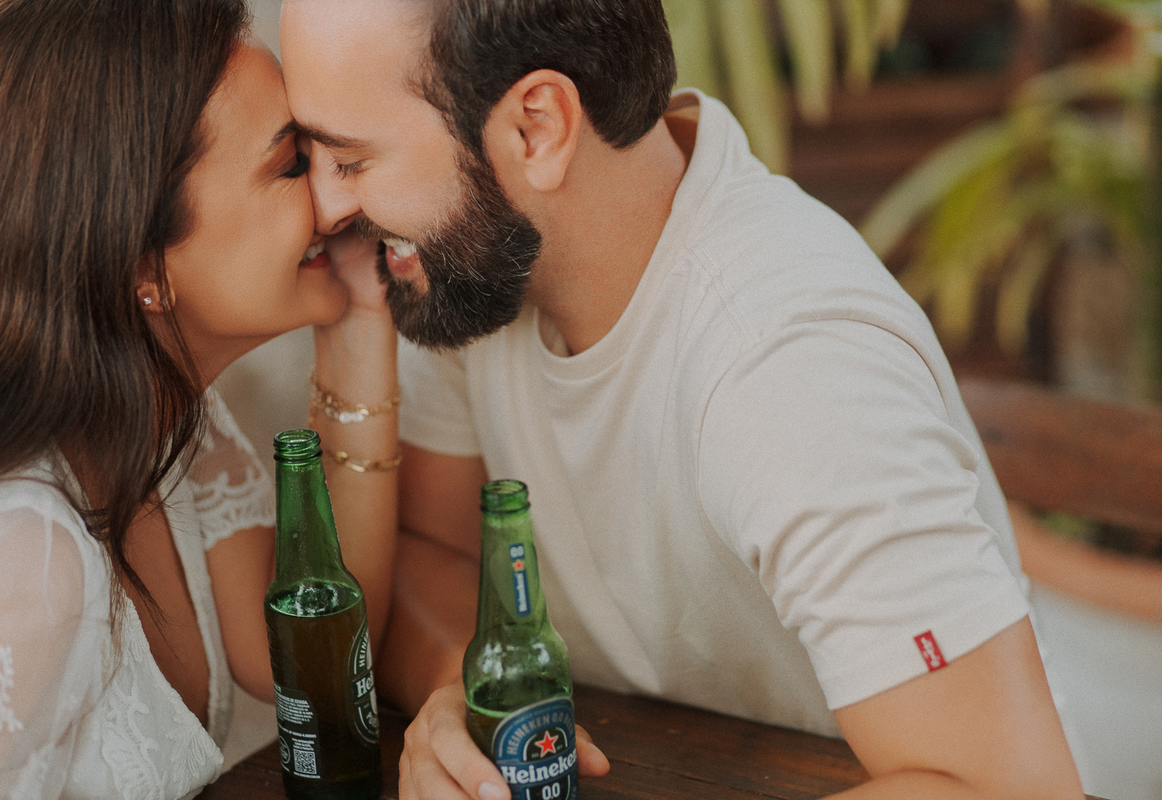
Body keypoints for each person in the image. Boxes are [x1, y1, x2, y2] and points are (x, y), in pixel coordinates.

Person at [279, 1, 1086, 798]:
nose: (323, 209)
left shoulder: (791, 368)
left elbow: (1007, 785)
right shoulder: (485, 266)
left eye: (349, 162)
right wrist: (465, 691)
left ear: (537, 127)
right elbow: (432, 548)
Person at [0, 0, 400, 797]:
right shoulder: (28, 562)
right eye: (292, 164)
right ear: (144, 264)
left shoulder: (176, 430)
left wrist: (360, 324)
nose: (333, 196)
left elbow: (314, 664)